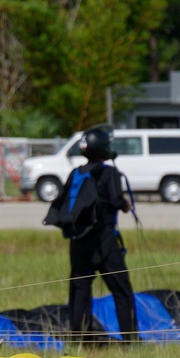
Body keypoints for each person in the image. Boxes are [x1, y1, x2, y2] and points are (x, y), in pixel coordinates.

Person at [66, 126, 138, 344]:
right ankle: (131, 340)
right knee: (122, 291)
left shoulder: (75, 173)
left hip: (78, 243)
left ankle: (80, 339)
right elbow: (117, 201)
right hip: (104, 243)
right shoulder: (109, 173)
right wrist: (125, 204)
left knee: (79, 291)